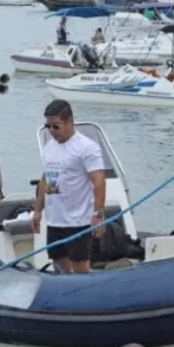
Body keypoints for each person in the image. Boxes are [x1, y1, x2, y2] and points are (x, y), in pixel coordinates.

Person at [31, 99, 106, 273]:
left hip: (77, 221)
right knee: (59, 267)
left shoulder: (87, 147)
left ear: (69, 121)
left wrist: (98, 213)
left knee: (80, 270)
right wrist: (37, 210)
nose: (51, 131)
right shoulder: (49, 146)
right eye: (48, 126)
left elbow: (99, 181)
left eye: (55, 126)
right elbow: (46, 179)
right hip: (54, 220)